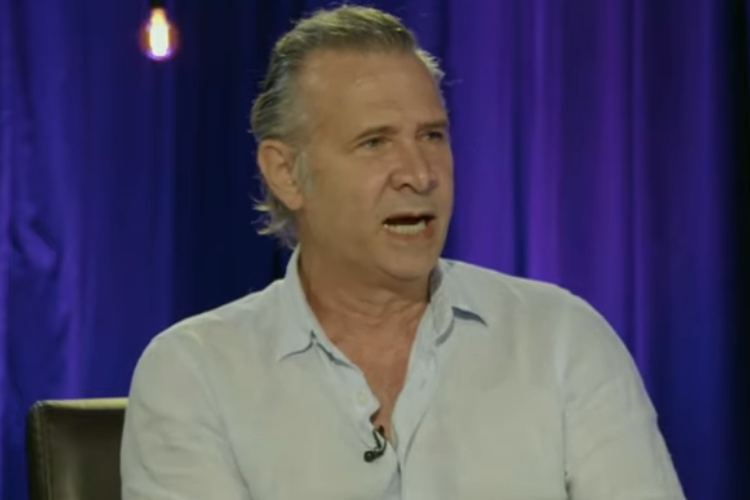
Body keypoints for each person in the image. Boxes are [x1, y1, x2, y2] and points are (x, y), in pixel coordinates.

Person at [120, 5, 686, 500]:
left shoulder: (562, 339)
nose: (419, 173)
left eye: (432, 136)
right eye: (375, 142)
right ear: (286, 173)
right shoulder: (195, 374)